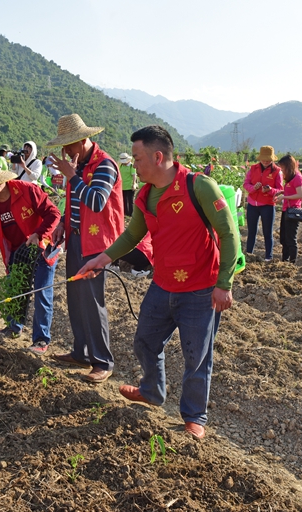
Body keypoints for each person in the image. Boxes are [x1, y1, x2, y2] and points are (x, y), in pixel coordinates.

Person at [79, 125, 239, 439]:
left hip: (201, 289)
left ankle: (195, 418)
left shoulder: (200, 187)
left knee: (197, 356)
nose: (133, 166)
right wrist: (103, 259)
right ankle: (152, 390)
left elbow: (229, 234)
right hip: (162, 284)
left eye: (137, 159)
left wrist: (225, 283)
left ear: (157, 156)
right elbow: (132, 235)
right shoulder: (144, 196)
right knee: (145, 341)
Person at [46, 114, 124, 384]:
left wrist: (72, 176)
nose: (65, 152)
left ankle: (102, 362)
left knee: (92, 301)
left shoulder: (105, 165)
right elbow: (75, 203)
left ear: (81, 141)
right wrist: (63, 224)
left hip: (98, 242)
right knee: (75, 297)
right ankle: (82, 352)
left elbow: (96, 201)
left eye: (68, 146)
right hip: (77, 238)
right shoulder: (78, 164)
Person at [0, 159, 61, 354]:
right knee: (15, 288)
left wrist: (38, 233)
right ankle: (14, 326)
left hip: (40, 247)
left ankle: (41, 339)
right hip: (16, 251)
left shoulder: (27, 191)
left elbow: (53, 213)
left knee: (42, 291)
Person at [243, 146, 283, 261]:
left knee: (267, 232)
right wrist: (253, 188)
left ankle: (268, 257)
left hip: (267, 205)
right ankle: (249, 253)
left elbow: (280, 190)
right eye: (263, 159)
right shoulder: (253, 169)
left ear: (272, 159)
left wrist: (270, 190)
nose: (265, 161)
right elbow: (246, 184)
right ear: (260, 158)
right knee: (252, 231)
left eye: (268, 159)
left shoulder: (277, 171)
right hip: (252, 205)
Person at [275, 154, 302, 263]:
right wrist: (282, 192)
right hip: (286, 210)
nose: (281, 170)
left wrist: (284, 197)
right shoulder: (290, 178)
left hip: (293, 211)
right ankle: (284, 259)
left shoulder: (298, 178)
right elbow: (292, 191)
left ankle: (292, 261)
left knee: (291, 238)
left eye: (282, 167)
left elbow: (300, 195)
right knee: (284, 237)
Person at [118, 152, 138, 217]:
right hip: (122, 186)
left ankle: (131, 213)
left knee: (130, 200)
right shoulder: (121, 166)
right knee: (124, 200)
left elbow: (134, 175)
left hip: (130, 186)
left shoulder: (131, 166)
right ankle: (125, 213)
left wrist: (134, 183)